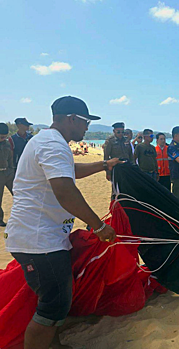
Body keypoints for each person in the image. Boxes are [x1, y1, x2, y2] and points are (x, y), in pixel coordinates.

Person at [5, 96, 120, 349]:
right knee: (54, 304)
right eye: (85, 122)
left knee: (53, 299)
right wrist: (99, 227)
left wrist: (103, 164)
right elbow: (65, 191)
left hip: (42, 236)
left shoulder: (50, 142)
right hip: (39, 240)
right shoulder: (53, 145)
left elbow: (70, 169)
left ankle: (52, 344)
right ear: (71, 119)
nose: (87, 127)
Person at [0, 123, 14, 227]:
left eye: (4, 137)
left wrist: (11, 170)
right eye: (1, 137)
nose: (3, 139)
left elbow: (10, 158)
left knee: (19, 194)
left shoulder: (7, 144)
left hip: (8, 173)